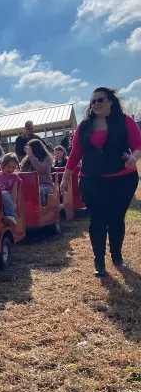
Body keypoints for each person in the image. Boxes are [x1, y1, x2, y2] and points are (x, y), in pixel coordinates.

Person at [60, 86, 141, 276]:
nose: (95, 104)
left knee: (116, 218)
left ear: (110, 101)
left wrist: (134, 158)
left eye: (100, 100)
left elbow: (138, 144)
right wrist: (65, 178)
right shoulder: (84, 126)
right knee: (97, 219)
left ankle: (117, 257)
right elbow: (74, 154)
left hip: (122, 179)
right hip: (91, 180)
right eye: (93, 101)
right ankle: (99, 262)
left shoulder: (124, 121)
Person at [19, 139, 54, 206]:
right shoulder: (27, 159)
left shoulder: (47, 158)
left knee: (38, 191)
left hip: (45, 185)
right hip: (29, 185)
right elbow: (22, 171)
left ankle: (41, 206)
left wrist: (31, 156)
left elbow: (41, 169)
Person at [0, 154, 21, 227]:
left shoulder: (15, 177)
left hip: (8, 198)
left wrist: (14, 203)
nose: (11, 170)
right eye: (8, 167)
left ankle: (11, 216)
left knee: (4, 193)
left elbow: (14, 191)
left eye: (14, 167)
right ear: (3, 165)